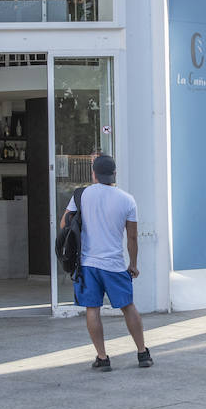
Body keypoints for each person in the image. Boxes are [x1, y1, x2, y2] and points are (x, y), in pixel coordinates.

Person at [62, 155, 152, 371]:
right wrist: (133, 264)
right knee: (128, 307)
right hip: (114, 264)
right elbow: (132, 237)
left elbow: (65, 223)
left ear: (93, 173)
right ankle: (142, 354)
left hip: (87, 264)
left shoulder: (81, 195)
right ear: (114, 174)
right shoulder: (127, 199)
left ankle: (102, 357)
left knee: (92, 309)